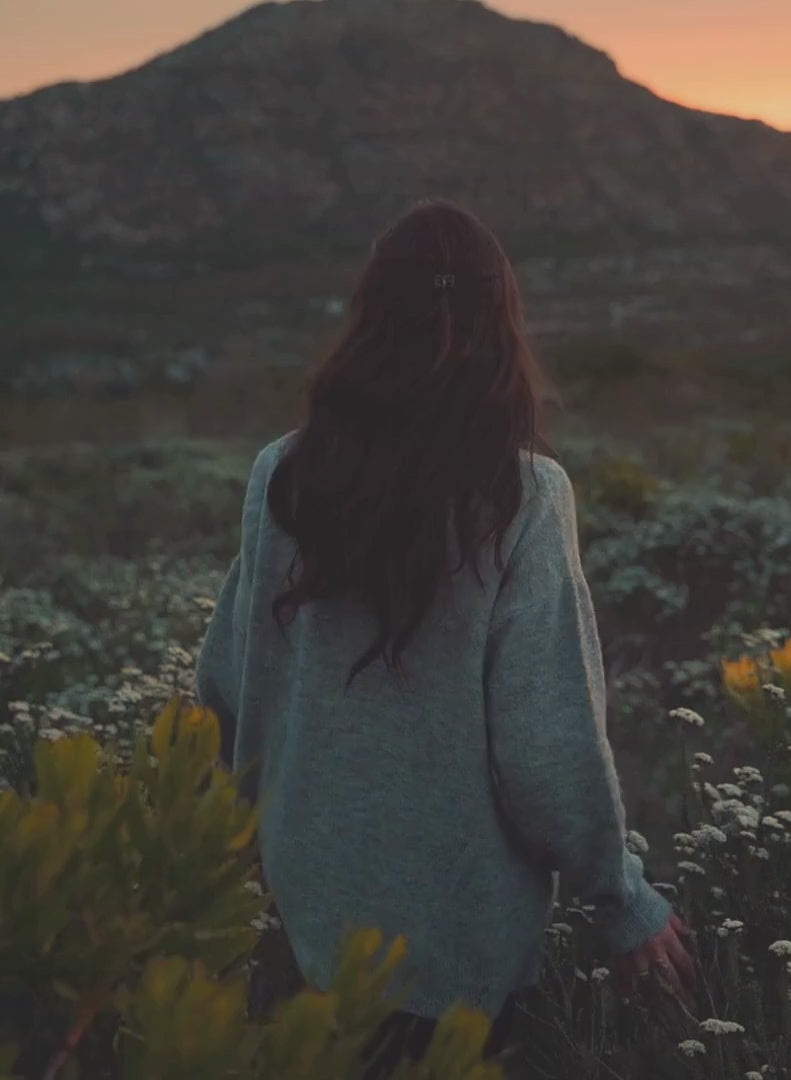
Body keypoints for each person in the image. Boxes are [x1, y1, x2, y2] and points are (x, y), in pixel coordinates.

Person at [195, 199, 696, 1076]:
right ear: (501, 319)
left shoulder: (286, 473)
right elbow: (547, 749)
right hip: (461, 952)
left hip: (310, 925)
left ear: (370, 317)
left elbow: (231, 692)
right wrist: (622, 906)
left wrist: (225, 874)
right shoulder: (524, 498)